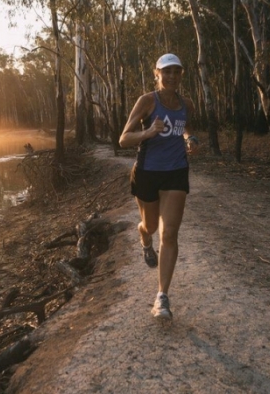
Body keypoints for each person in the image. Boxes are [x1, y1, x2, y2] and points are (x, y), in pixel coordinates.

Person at [118, 53, 199, 321]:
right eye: (167, 72)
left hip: (176, 171)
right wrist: (148, 132)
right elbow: (124, 139)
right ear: (157, 74)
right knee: (151, 227)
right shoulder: (148, 101)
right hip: (147, 173)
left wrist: (190, 138)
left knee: (170, 234)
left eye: (177, 71)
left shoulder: (186, 103)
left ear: (181, 75)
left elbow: (184, 125)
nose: (172, 76)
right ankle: (143, 237)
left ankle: (161, 297)